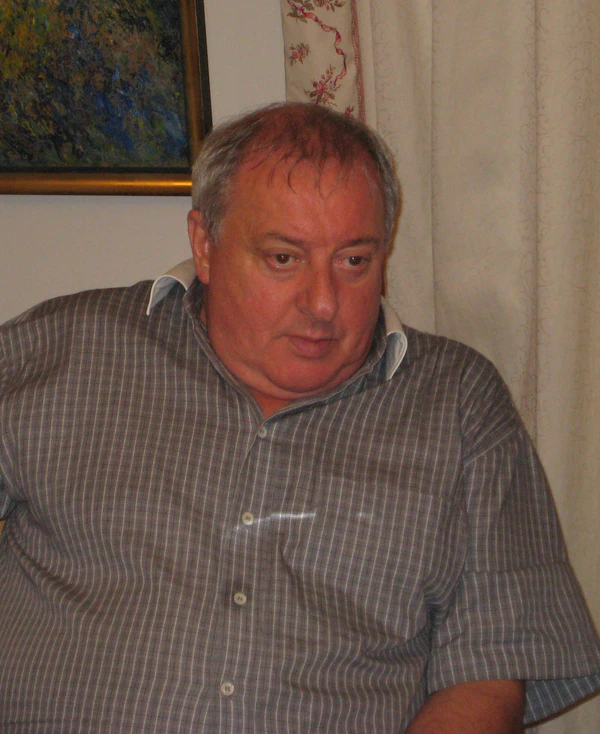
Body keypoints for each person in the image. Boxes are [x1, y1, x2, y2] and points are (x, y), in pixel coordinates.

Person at [0, 102, 599, 733]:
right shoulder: (59, 353)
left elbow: (490, 670)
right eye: (284, 259)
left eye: (353, 261)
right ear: (205, 245)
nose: (323, 303)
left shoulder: (458, 403)